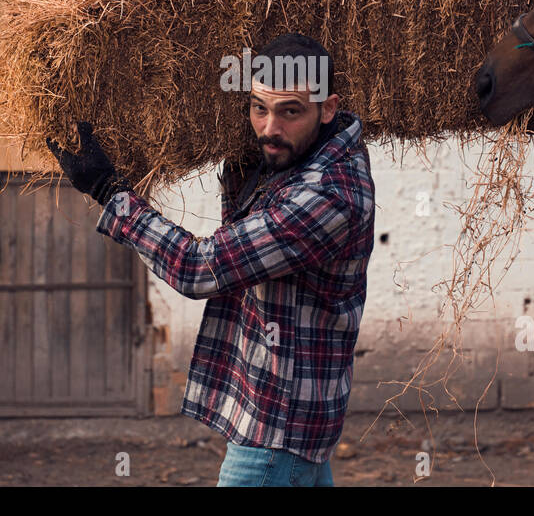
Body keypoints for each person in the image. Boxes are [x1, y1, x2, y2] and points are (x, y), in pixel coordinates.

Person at [49, 32, 375, 486]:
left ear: (328, 108)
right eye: (259, 108)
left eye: (290, 112)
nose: (269, 128)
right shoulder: (297, 158)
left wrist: (111, 193)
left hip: (277, 425)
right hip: (289, 415)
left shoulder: (326, 196)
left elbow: (201, 268)